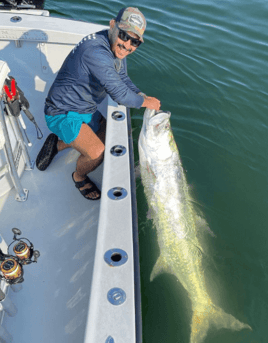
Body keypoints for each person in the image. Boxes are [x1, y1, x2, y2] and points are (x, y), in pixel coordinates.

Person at [36, 7, 161, 200]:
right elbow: (120, 94)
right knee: (97, 153)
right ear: (112, 25)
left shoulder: (113, 46)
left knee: (108, 131)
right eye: (124, 35)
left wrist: (139, 93)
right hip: (61, 112)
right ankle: (79, 176)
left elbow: (122, 78)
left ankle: (59, 145)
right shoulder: (96, 52)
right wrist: (145, 102)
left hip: (85, 107)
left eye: (135, 41)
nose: (127, 45)